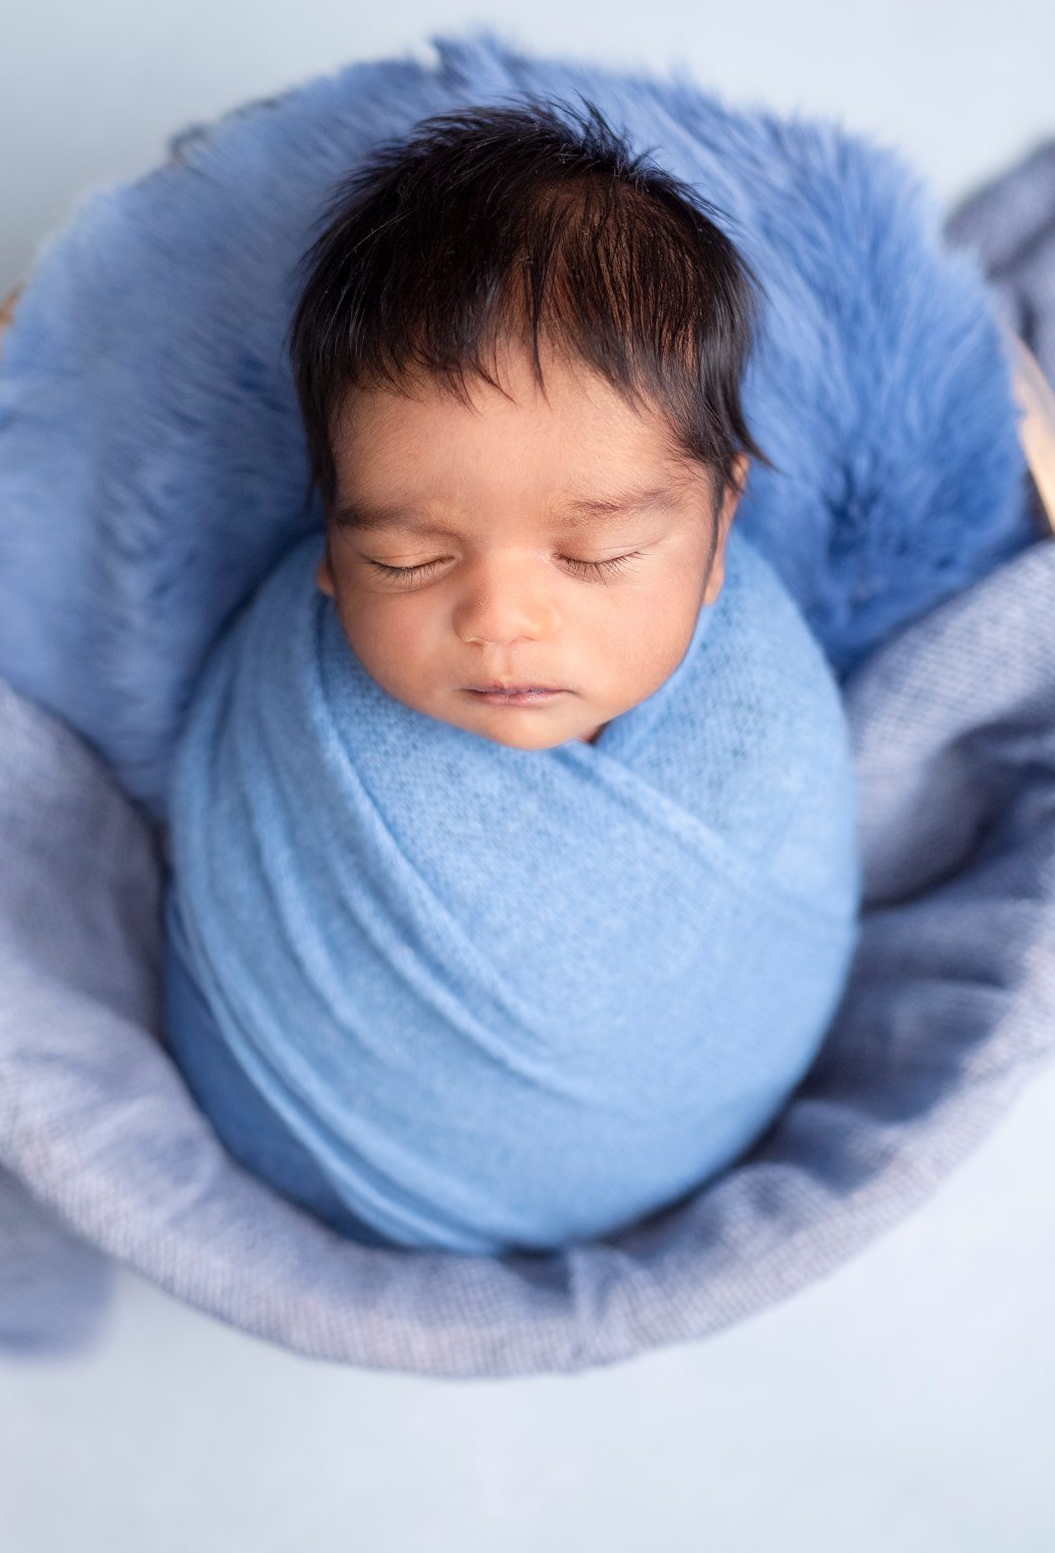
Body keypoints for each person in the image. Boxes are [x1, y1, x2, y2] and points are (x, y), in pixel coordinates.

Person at [162, 95, 859, 1253]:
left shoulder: (763, 708)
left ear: (719, 527)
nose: (498, 619)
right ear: (329, 543)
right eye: (407, 555)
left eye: (597, 555)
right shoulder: (292, 680)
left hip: (692, 1144)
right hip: (296, 1148)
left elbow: (807, 905)